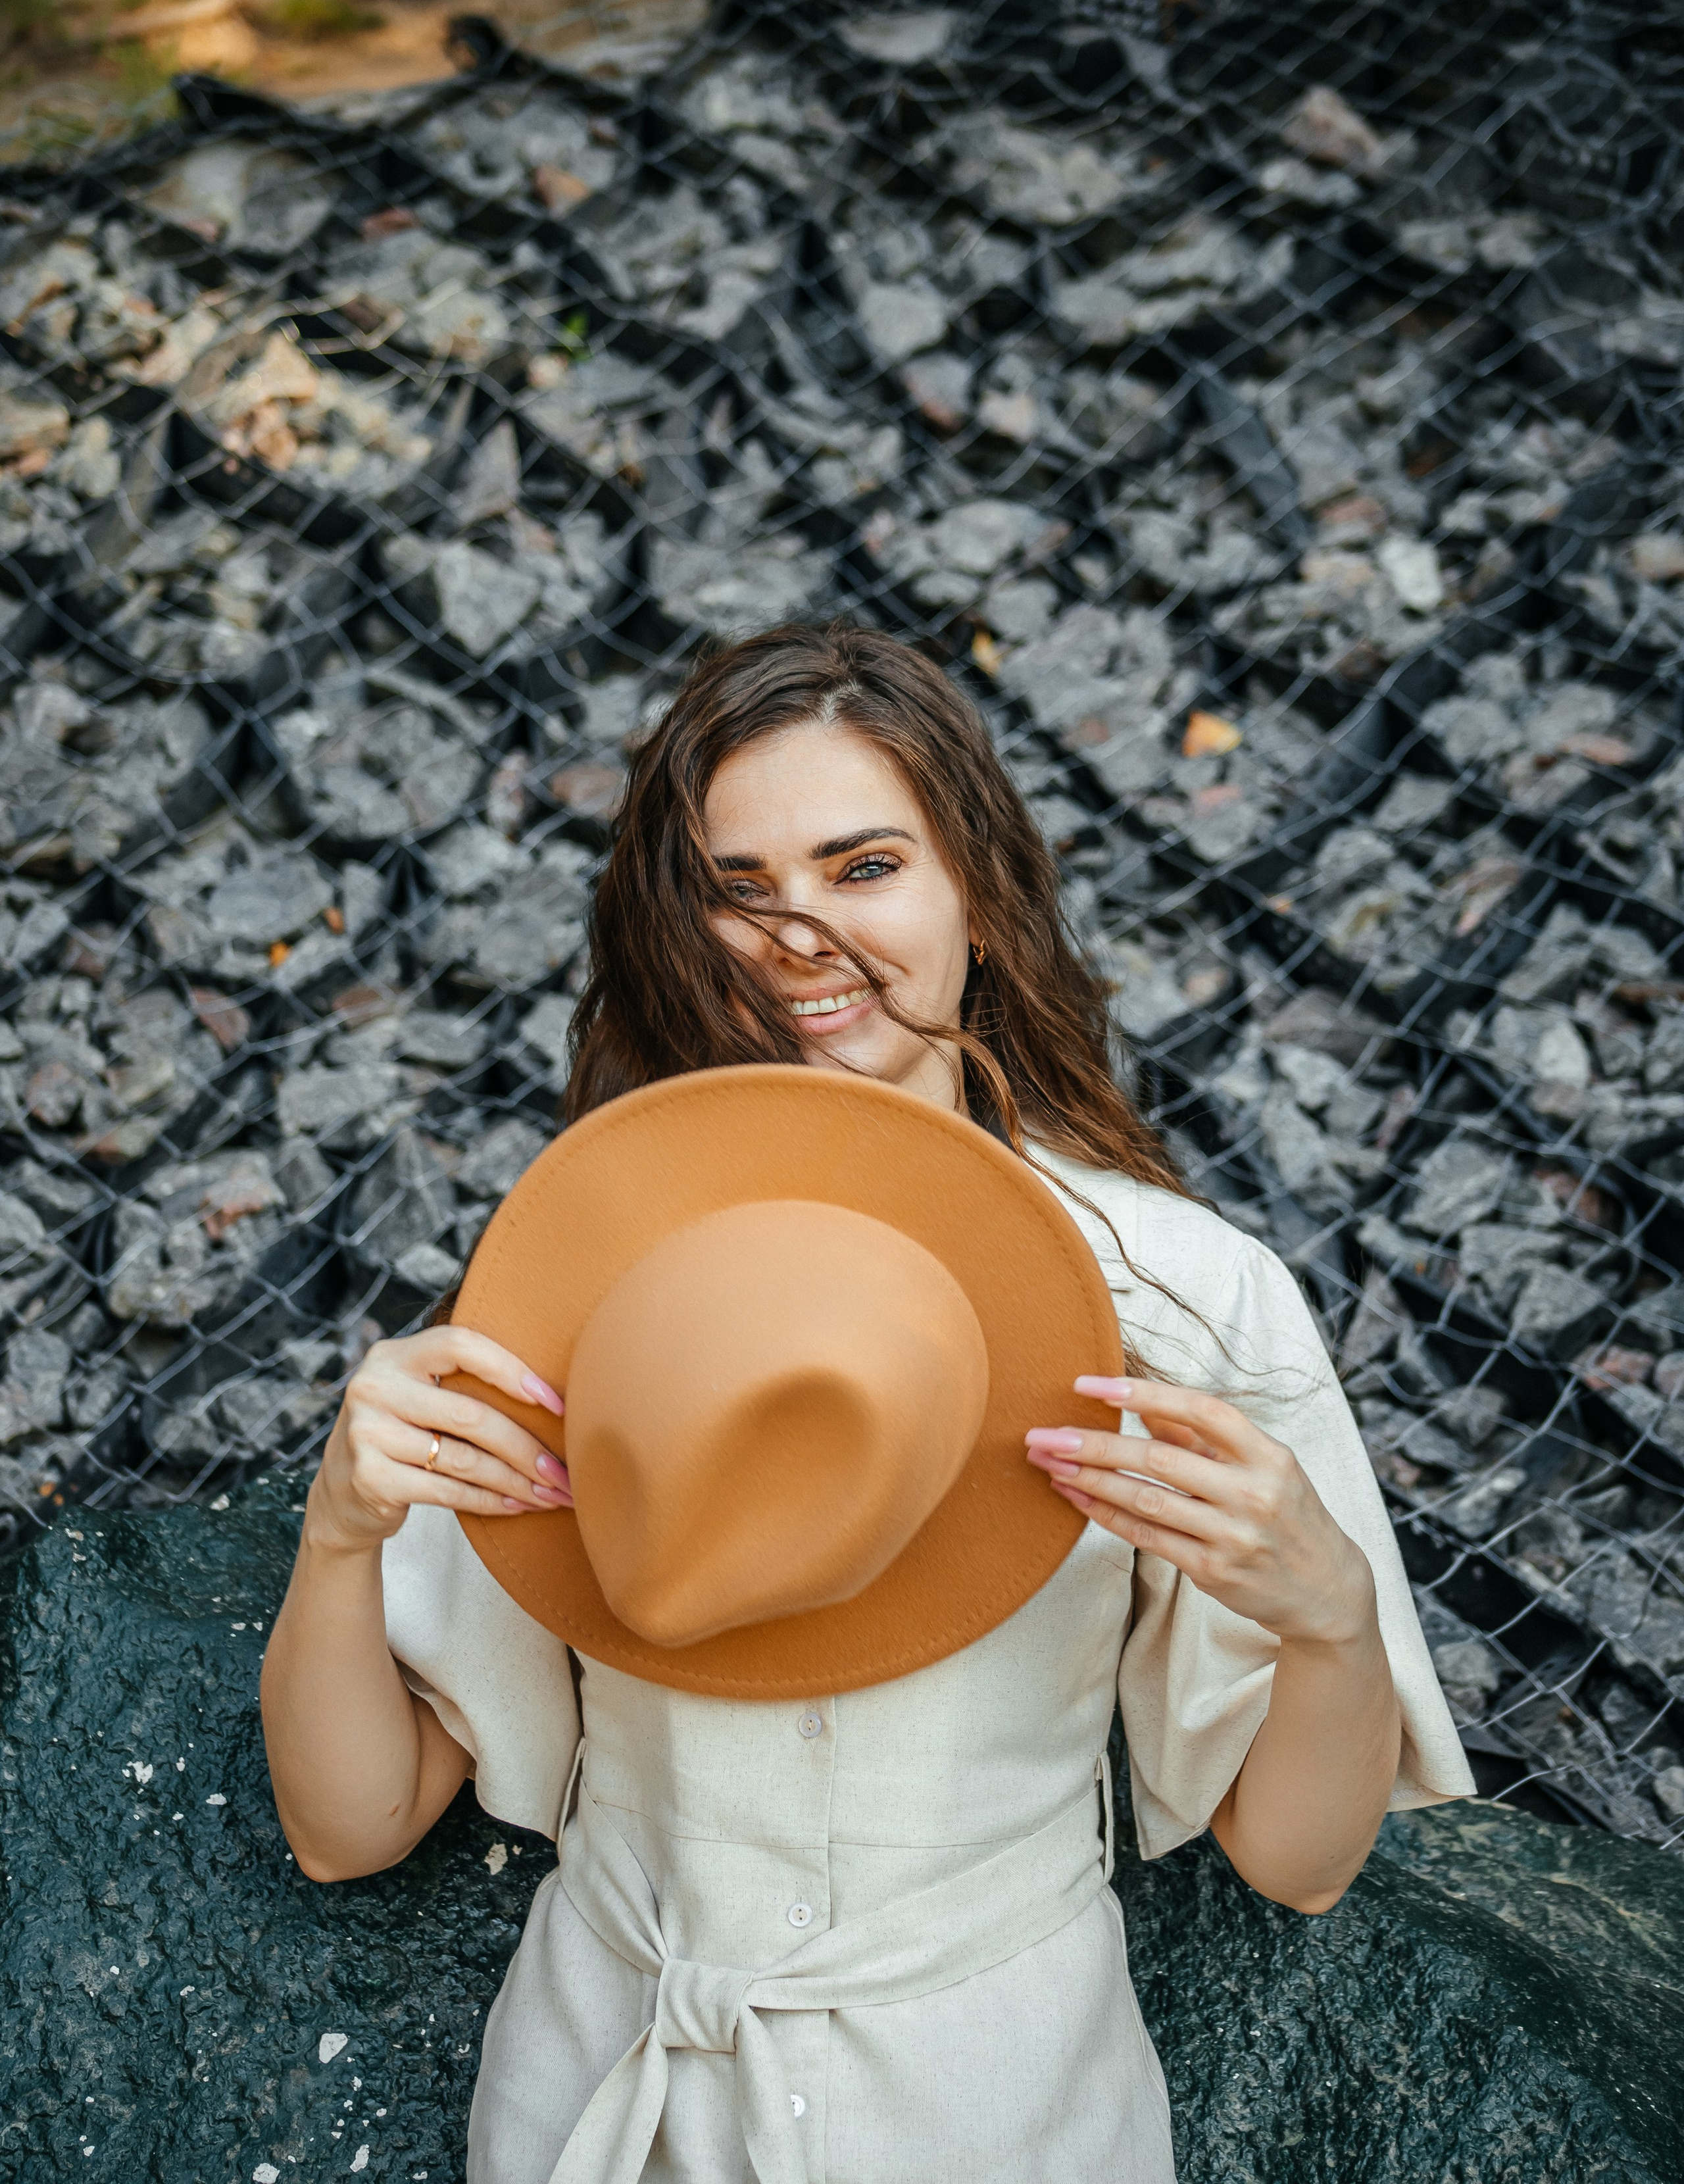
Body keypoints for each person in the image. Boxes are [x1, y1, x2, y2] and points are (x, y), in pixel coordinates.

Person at [261, 622, 1472, 2183]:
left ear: (977, 895)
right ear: (675, 926)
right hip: (609, 2091)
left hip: (1001, 2109)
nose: (800, 938)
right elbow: (344, 1829)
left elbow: (1296, 1863)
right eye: (738, 890)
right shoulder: (583, 1272)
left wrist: (1324, 1612)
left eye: (862, 869)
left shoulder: (1183, 1295)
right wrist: (342, 1530)